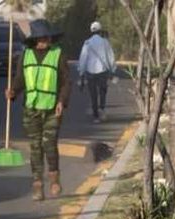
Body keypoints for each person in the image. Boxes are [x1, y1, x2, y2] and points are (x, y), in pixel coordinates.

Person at [6, 19, 70, 201]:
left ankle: (54, 179)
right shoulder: (25, 56)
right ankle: (37, 185)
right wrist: (13, 92)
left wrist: (62, 101)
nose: (44, 41)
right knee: (35, 147)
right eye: (40, 38)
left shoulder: (58, 54)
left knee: (49, 145)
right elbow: (20, 80)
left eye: (46, 37)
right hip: (31, 108)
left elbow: (66, 81)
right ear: (34, 39)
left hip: (51, 107)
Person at [78, 21, 116, 123]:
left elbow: (83, 59)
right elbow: (110, 56)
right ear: (100, 31)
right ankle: (102, 109)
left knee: (93, 94)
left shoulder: (87, 43)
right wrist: (112, 70)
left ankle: (95, 116)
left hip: (90, 72)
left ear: (91, 31)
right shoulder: (105, 42)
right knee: (103, 91)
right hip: (102, 71)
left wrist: (81, 75)